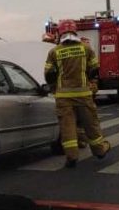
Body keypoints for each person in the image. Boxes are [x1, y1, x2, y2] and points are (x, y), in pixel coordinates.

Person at [44, 19, 110, 168]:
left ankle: (72, 157)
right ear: (75, 31)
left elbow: (49, 74)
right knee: (90, 124)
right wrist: (93, 85)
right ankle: (99, 150)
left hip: (63, 97)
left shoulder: (54, 51)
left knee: (67, 128)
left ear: (60, 32)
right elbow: (94, 70)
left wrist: (54, 89)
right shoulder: (86, 49)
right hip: (83, 94)